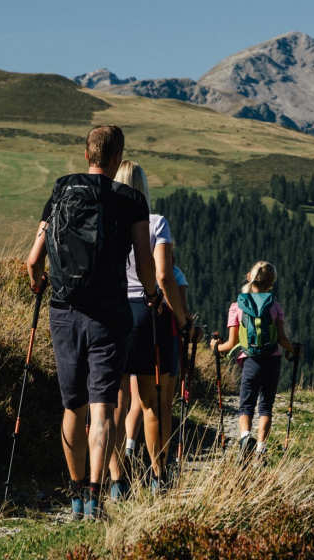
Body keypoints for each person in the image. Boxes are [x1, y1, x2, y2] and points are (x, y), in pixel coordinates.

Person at [26, 126, 159, 520]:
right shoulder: (131, 200)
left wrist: (40, 284)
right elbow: (143, 260)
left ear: (87, 155)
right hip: (111, 312)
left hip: (64, 310)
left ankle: (74, 493)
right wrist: (151, 295)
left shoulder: (61, 190)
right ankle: (96, 497)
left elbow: (34, 260)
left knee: (73, 406)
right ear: (117, 158)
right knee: (103, 407)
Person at [107, 161, 194, 493]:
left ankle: (115, 481)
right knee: (152, 402)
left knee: (114, 401)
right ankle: (159, 475)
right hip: (148, 315)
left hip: (112, 312)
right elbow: (162, 275)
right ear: (144, 186)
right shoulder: (156, 223)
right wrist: (182, 318)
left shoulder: (108, 221)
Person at [210, 261, 301, 463]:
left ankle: (244, 439)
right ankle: (261, 449)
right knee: (266, 406)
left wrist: (216, 346)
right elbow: (282, 339)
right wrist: (295, 350)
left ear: (249, 278)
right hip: (272, 360)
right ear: (271, 284)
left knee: (246, 406)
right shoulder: (275, 307)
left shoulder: (237, 307)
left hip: (250, 361)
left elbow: (232, 342)